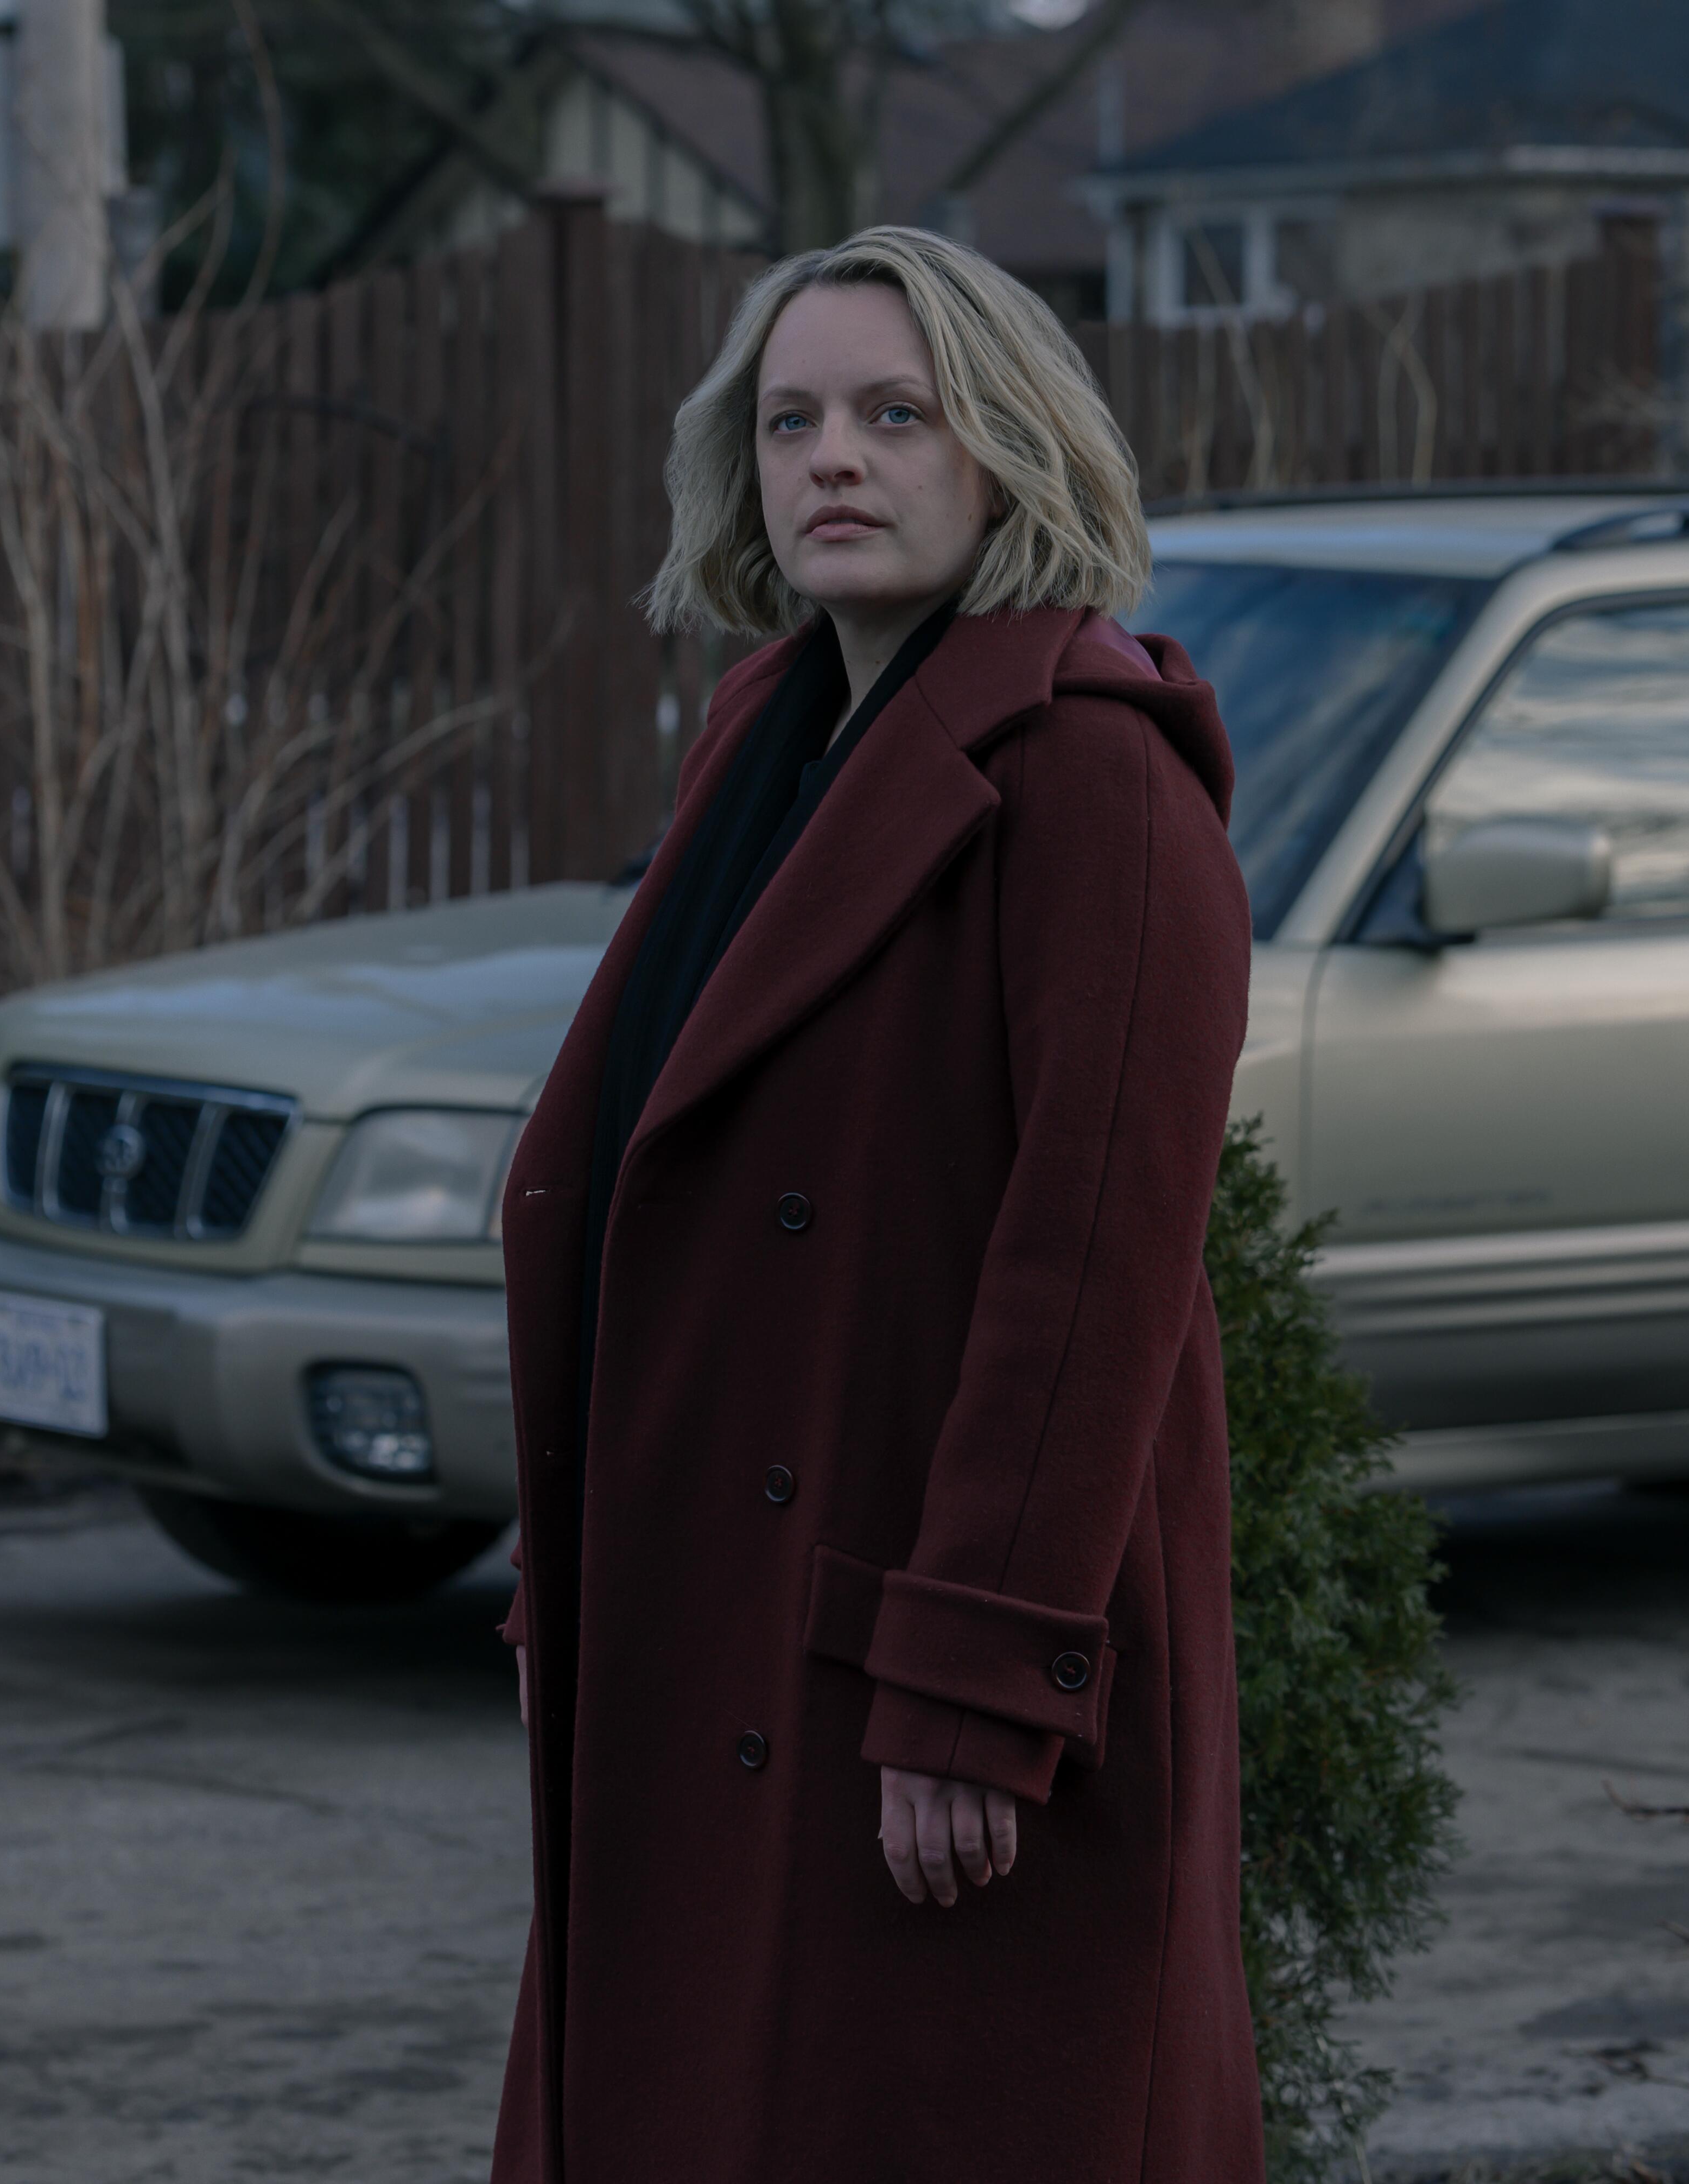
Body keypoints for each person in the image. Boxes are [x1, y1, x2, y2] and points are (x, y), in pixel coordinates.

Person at [488, 226, 1263, 2179]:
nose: (835, 457)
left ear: (1007, 449)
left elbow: (1095, 1264)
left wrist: (978, 1683)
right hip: (717, 1618)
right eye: (792, 420)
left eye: (895, 415)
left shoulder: (1098, 776)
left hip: (916, 1673)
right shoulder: (770, 741)